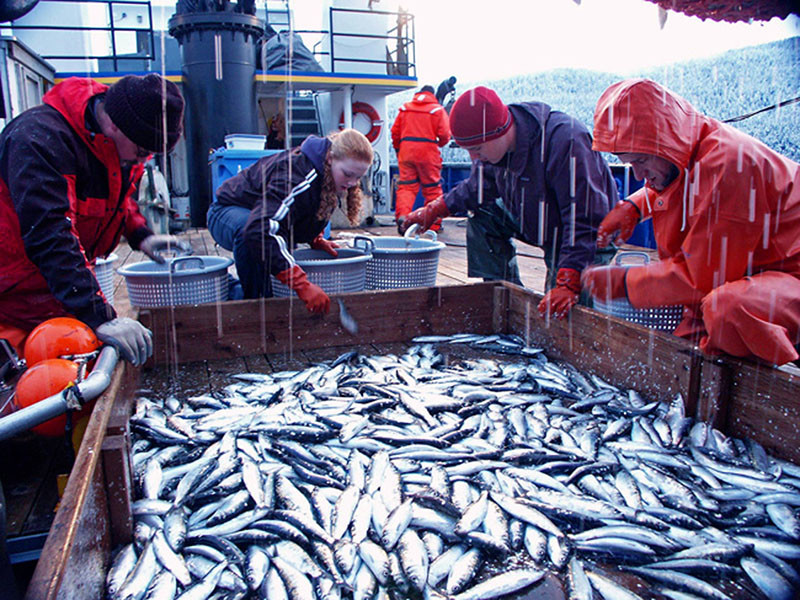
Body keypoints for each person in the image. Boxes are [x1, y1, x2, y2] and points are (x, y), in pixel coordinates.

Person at [582, 78, 800, 366]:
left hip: (788, 276)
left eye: (640, 161)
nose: (637, 175)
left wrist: (624, 282)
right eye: (629, 164)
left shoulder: (729, 166)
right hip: (748, 268)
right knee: (694, 333)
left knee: (727, 309)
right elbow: (681, 183)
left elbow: (701, 279)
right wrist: (633, 206)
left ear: (664, 144)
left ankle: (761, 379)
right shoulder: (689, 148)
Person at [0, 74, 187, 366]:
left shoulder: (116, 140)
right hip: (12, 303)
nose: (143, 160)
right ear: (113, 124)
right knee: (30, 395)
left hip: (59, 297)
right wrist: (100, 315)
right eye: (142, 152)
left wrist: (141, 234)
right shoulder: (39, 140)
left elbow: (118, 197)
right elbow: (50, 235)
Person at [400, 86, 618, 320]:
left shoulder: (567, 140)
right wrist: (434, 210)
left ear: (500, 131)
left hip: (588, 236)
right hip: (541, 222)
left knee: (563, 318)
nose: (474, 158)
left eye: (476, 149)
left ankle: (577, 308)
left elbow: (584, 218)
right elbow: (476, 188)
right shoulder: (495, 150)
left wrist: (568, 281)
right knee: (483, 212)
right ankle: (505, 295)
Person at [207, 128, 373, 314]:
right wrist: (301, 284)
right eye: (348, 174)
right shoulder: (297, 174)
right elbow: (260, 229)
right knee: (251, 233)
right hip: (226, 212)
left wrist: (315, 238)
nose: (351, 182)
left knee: (264, 239)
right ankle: (253, 308)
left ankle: (254, 295)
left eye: (358, 177)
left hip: (259, 217)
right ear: (330, 158)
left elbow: (297, 209)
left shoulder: (326, 175)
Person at [391, 85, 451, 233]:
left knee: (406, 187)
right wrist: (438, 143)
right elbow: (445, 135)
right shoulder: (437, 110)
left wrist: (399, 149)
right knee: (432, 189)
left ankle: (403, 218)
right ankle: (434, 225)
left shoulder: (405, 108)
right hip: (428, 152)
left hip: (406, 151)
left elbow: (395, 132)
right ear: (432, 95)